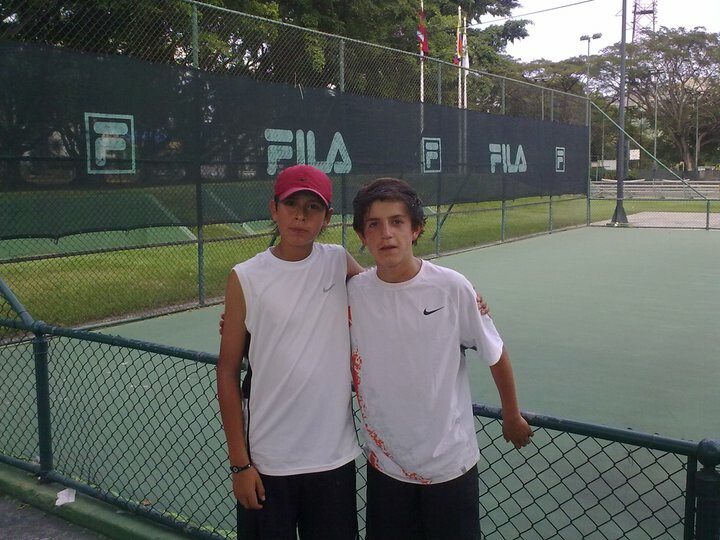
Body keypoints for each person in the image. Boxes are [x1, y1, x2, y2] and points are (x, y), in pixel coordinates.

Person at [347, 177, 533, 540]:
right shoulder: (353, 293)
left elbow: (494, 353)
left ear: (416, 230)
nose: (386, 233)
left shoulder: (452, 287)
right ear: (362, 236)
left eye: (397, 222)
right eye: (374, 224)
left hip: (450, 465)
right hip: (385, 465)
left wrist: (511, 414)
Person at [217, 164, 363, 539]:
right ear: (274, 209)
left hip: (333, 459)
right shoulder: (245, 277)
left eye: (313, 207)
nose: (300, 215)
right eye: (291, 204)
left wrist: (445, 291)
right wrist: (240, 465)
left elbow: (383, 295)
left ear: (327, 217)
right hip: (268, 463)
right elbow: (227, 372)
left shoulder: (337, 261)